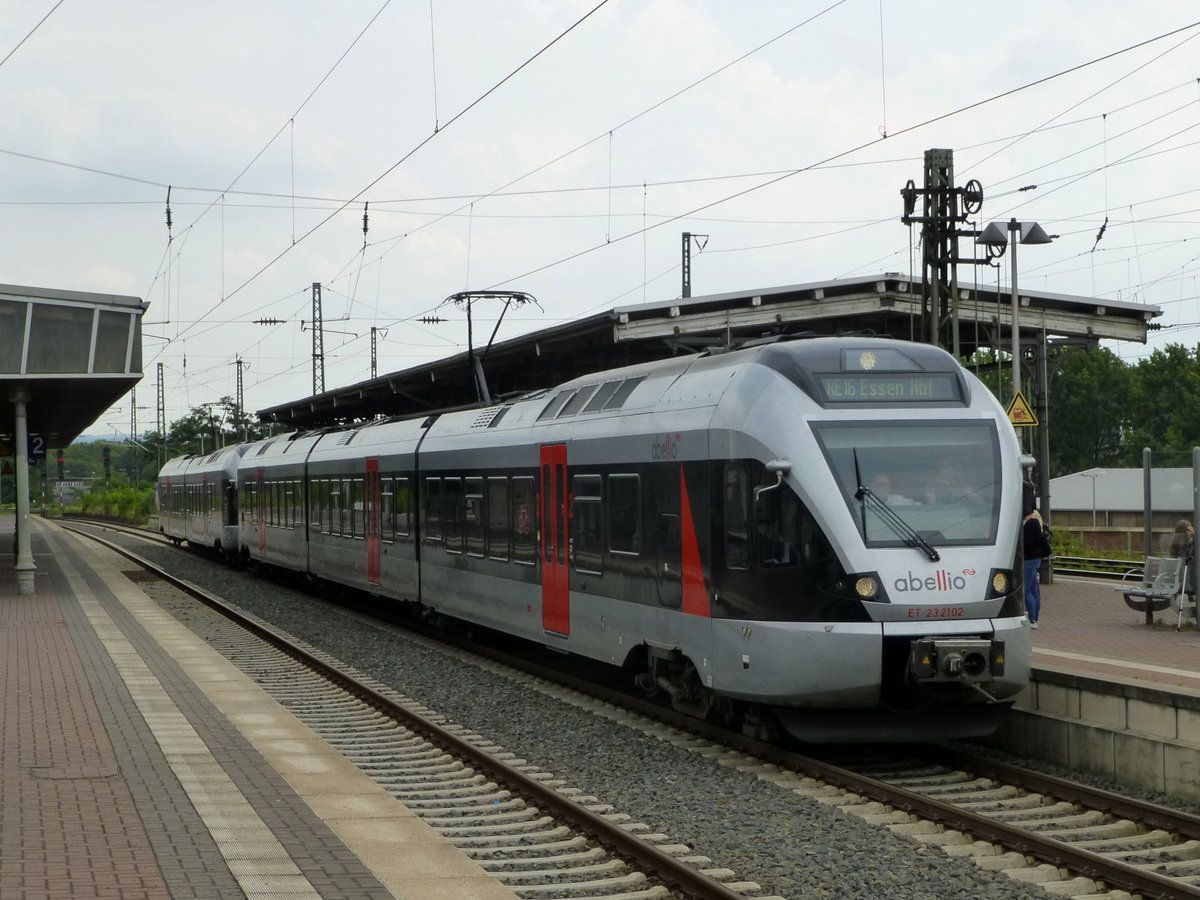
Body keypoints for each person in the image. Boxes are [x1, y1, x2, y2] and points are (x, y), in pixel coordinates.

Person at [1022, 502, 1050, 628]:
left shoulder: (1029, 524)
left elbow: (1025, 542)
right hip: (1035, 558)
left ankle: (1032, 619)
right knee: (1034, 589)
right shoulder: (1036, 522)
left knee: (1027, 590)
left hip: (1028, 559)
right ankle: (1035, 617)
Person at [1170, 518, 1195, 613]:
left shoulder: (1174, 542)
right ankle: (1190, 594)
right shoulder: (1186, 541)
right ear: (1186, 531)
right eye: (1189, 528)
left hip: (1178, 575)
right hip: (1185, 577)